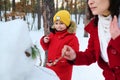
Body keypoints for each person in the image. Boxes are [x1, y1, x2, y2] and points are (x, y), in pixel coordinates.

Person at [62, 0, 120, 80]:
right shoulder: (96, 25)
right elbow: (91, 54)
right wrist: (75, 56)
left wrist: (117, 40)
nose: (90, 2)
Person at [40, 10, 79, 80]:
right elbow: (46, 48)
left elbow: (73, 55)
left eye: (61, 23)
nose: (58, 26)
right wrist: (44, 41)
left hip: (63, 70)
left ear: (67, 24)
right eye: (56, 23)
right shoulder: (53, 34)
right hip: (50, 68)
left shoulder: (72, 38)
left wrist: (58, 61)